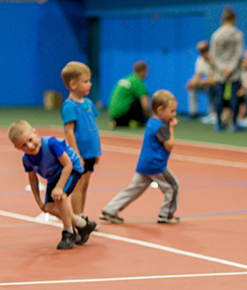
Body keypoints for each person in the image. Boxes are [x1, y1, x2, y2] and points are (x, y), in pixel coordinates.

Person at [8, 120, 96, 250]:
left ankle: (69, 233)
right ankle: (83, 225)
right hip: (54, 177)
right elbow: (33, 179)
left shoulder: (51, 144)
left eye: (31, 140)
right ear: (18, 148)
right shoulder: (26, 160)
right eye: (24, 146)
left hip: (71, 170)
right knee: (49, 206)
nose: (30, 146)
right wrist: (38, 201)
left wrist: (60, 187)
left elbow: (68, 165)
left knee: (60, 197)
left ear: (35, 133)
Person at [100, 90, 181, 225]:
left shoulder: (151, 121)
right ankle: (166, 214)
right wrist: (172, 129)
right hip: (156, 165)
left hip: (144, 164)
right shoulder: (162, 127)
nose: (174, 115)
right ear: (160, 110)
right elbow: (169, 145)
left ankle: (110, 210)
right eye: (172, 111)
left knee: (133, 189)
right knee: (173, 186)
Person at [60, 61, 101, 226]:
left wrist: (97, 151)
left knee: (85, 185)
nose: (89, 84)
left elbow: (93, 128)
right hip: (80, 154)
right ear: (73, 84)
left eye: (89, 80)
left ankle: (81, 216)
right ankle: (77, 218)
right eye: (85, 81)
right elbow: (69, 131)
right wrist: (76, 154)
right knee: (79, 185)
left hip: (91, 152)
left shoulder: (89, 104)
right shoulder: (69, 106)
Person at [210, 6, 244, 131]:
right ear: (234, 19)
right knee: (234, 97)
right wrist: (230, 69)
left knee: (219, 97)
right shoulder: (238, 34)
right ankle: (233, 123)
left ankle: (219, 123)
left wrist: (221, 69)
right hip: (233, 71)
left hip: (220, 71)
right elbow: (238, 54)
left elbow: (214, 55)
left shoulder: (216, 35)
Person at [108, 61, 150, 128]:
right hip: (123, 113)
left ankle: (118, 122)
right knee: (139, 101)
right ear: (143, 71)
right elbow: (145, 106)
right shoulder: (138, 82)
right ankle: (141, 122)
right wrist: (151, 119)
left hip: (113, 115)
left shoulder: (127, 79)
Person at [185, 41, 218, 121]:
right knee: (192, 87)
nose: (202, 53)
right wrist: (192, 82)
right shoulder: (200, 60)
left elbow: (215, 80)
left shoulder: (215, 59)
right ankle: (193, 113)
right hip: (207, 83)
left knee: (212, 88)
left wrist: (202, 82)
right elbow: (198, 75)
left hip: (217, 85)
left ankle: (212, 113)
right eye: (200, 51)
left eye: (204, 50)